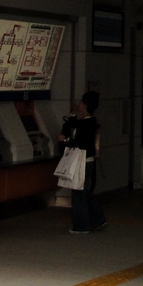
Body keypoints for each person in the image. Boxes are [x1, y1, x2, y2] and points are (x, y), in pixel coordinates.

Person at [59, 91, 107, 234]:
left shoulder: (86, 123)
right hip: (88, 160)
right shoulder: (90, 121)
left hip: (82, 160)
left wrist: (65, 140)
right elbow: (75, 124)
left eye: (81, 102)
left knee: (79, 192)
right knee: (84, 191)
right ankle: (97, 219)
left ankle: (82, 225)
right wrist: (73, 113)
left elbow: (80, 142)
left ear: (85, 105)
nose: (78, 103)